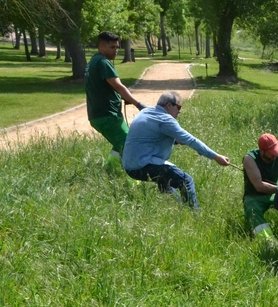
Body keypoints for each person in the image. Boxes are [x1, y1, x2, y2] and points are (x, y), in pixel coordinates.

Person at [122, 91, 229, 209]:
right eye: (178, 107)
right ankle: (194, 214)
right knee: (186, 181)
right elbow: (191, 140)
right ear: (169, 105)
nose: (180, 111)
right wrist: (216, 157)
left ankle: (179, 209)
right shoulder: (165, 119)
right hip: (143, 165)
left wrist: (176, 141)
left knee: (165, 182)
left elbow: (151, 138)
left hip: (130, 167)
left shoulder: (146, 112)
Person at [84, 31, 147, 172]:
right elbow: (119, 86)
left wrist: (121, 97)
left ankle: (109, 170)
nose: (116, 51)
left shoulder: (94, 60)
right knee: (130, 146)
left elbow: (105, 87)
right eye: (112, 47)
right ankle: (134, 180)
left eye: (117, 47)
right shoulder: (103, 62)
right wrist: (139, 104)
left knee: (123, 141)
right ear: (101, 46)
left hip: (101, 115)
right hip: (107, 116)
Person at [242, 133, 278, 241]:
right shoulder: (250, 158)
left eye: (276, 151)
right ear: (262, 151)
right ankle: (269, 242)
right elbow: (259, 186)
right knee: (252, 210)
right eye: (272, 153)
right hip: (254, 196)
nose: (275, 155)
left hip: (274, 194)